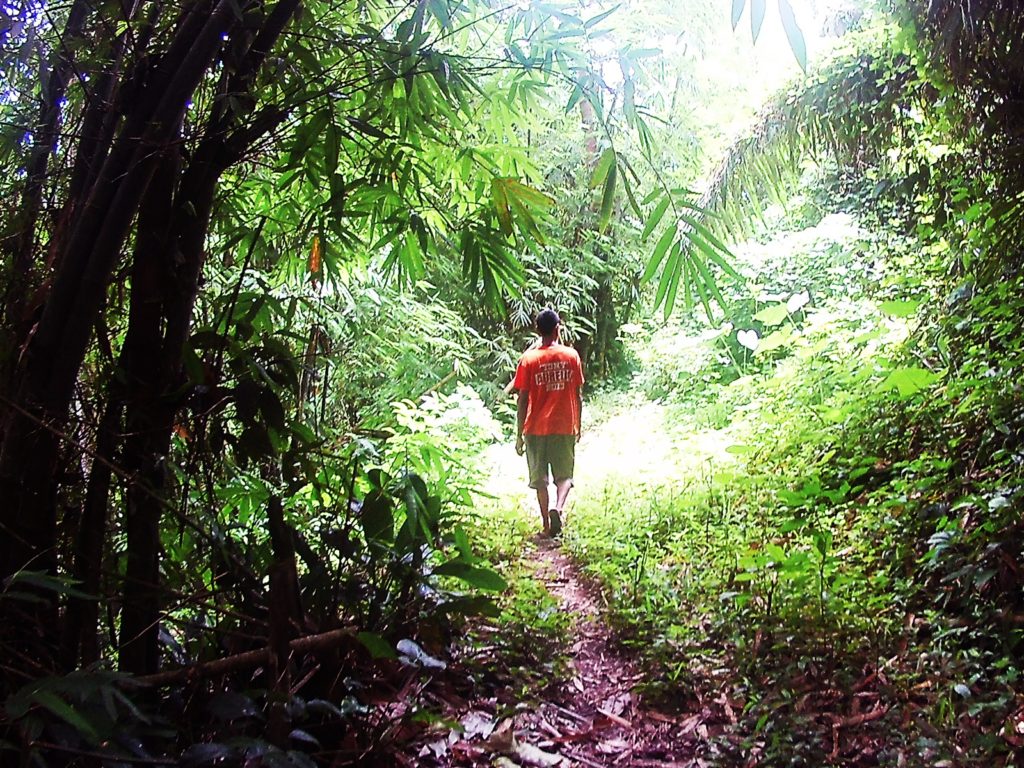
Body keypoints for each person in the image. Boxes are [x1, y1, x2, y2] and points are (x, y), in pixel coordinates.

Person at [513, 308, 584, 537]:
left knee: (540, 480)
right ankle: (558, 508)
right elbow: (578, 394)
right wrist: (578, 425)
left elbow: (522, 399)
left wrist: (518, 434)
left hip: (535, 428)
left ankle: (546, 525)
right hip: (564, 425)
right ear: (557, 329)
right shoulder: (571, 356)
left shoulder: (528, 359)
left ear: (537, 330)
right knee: (565, 476)